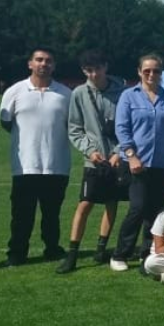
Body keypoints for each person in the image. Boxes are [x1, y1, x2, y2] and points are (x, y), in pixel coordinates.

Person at [110, 54, 164, 272]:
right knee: (138, 208)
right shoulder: (128, 96)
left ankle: (149, 252)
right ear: (139, 72)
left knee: (158, 212)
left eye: (156, 71)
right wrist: (131, 155)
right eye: (147, 70)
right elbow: (122, 128)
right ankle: (120, 253)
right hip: (137, 163)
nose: (152, 74)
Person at [0, 47, 72, 266]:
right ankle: (17, 253)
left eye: (48, 60)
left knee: (52, 213)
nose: (43, 64)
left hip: (57, 164)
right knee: (22, 214)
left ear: (54, 65)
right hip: (25, 165)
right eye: (39, 60)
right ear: (30, 63)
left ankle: (52, 248)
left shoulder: (65, 94)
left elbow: (72, 125)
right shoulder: (15, 91)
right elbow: (6, 122)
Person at [58, 50, 128, 275]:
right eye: (89, 70)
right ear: (83, 71)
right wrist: (90, 151)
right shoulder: (79, 93)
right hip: (93, 160)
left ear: (106, 66)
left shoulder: (123, 91)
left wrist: (118, 152)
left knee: (112, 202)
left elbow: (128, 126)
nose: (94, 74)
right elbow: (74, 129)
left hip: (117, 159)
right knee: (85, 204)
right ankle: (72, 253)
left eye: (97, 68)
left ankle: (101, 248)